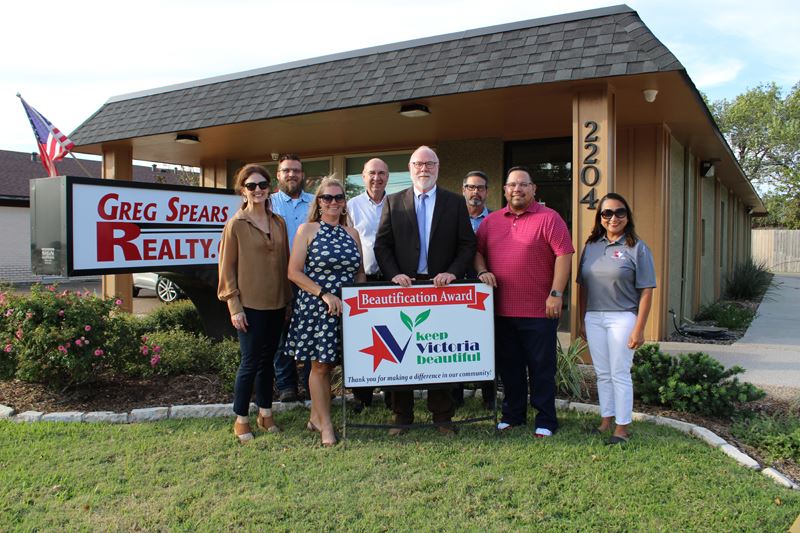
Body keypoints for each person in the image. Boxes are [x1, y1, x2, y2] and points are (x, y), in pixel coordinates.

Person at [374, 146, 476, 436]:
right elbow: (382, 245)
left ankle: (442, 416)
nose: (424, 169)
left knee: (437, 351)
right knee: (402, 354)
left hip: (440, 290)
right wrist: (394, 275)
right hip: (404, 290)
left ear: (438, 167)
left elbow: (467, 244)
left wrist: (453, 273)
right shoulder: (394, 202)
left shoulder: (455, 202)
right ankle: (401, 416)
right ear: (410, 168)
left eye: (430, 164)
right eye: (418, 164)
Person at [474, 166, 574, 437]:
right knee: (510, 367)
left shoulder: (549, 218)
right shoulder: (490, 221)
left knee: (541, 368)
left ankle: (545, 419)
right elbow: (477, 252)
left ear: (533, 189)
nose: (517, 189)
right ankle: (513, 415)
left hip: (539, 310)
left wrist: (556, 293)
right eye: (511, 185)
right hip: (502, 310)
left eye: (523, 184)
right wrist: (482, 271)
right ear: (505, 190)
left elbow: (564, 255)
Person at [286, 177, 366, 446]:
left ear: (344, 202)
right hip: (317, 307)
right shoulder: (306, 230)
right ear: (318, 202)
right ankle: (326, 426)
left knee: (331, 363)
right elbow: (293, 272)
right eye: (327, 198)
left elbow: (360, 272)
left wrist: (359, 298)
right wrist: (324, 294)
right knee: (319, 365)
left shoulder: (352, 233)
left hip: (346, 307)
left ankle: (314, 418)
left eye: (338, 197)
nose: (333, 202)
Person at [218, 164, 293, 444]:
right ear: (243, 190)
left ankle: (265, 413)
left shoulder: (278, 222)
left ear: (269, 188)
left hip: (276, 304)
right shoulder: (236, 224)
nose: (258, 190)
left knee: (267, 363)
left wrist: (287, 301)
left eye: (262, 185)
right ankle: (241, 419)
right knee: (249, 362)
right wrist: (234, 306)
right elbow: (226, 269)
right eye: (252, 186)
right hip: (249, 305)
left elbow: (285, 263)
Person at [576, 192, 655, 445]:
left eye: (619, 212)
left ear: (627, 216)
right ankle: (605, 420)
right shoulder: (591, 247)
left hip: (623, 318)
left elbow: (646, 290)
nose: (613, 218)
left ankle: (622, 427)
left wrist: (639, 328)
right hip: (594, 317)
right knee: (602, 373)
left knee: (619, 372)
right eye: (607, 213)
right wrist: (581, 319)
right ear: (600, 218)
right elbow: (582, 286)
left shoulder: (636, 247)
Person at [270, 154, 314, 402]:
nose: (292, 175)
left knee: (309, 332)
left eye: (296, 170)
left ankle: (311, 385)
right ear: (278, 175)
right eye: (286, 170)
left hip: (309, 280)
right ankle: (287, 386)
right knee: (282, 335)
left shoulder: (314, 203)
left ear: (302, 175)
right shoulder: (268, 203)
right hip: (279, 278)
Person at [347, 158, 390, 411]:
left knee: (388, 335)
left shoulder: (397, 203)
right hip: (361, 279)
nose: (377, 178)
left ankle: (390, 393)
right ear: (363, 176)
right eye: (372, 173)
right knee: (362, 338)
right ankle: (361, 396)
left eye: (382, 173)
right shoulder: (351, 206)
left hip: (389, 280)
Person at [453, 170, 495, 410]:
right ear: (463, 190)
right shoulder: (453, 218)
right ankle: (456, 396)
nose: (475, 192)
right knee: (456, 340)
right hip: (457, 288)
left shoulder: (496, 220)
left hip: (487, 287)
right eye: (470, 187)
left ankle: (489, 396)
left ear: (487, 192)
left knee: (487, 340)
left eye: (480, 188)